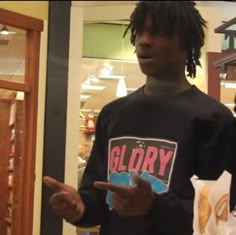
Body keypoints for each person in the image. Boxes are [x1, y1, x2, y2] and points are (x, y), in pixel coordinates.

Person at [43, 1, 235, 235]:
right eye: (140, 32)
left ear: (186, 42)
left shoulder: (213, 119)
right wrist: (81, 208)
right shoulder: (112, 113)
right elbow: (98, 196)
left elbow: (216, 214)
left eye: (159, 33)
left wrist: (153, 206)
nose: (144, 41)